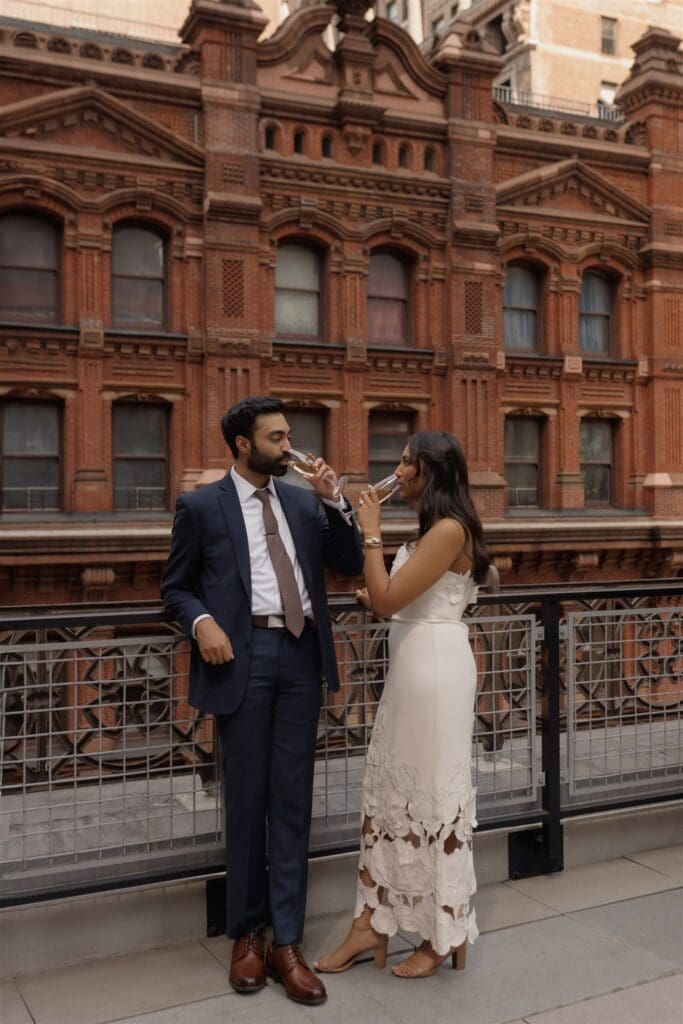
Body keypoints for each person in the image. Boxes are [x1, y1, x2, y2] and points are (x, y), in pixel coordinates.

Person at [161, 396, 363, 1007]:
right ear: (244, 444)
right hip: (240, 660)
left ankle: (288, 944)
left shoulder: (303, 502)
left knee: (293, 801)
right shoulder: (201, 506)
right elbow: (174, 588)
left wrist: (334, 500)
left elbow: (349, 562)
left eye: (289, 436)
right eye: (277, 438)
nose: (291, 447)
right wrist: (201, 624)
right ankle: (247, 937)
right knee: (247, 801)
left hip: (301, 658)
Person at [314, 431, 490, 979]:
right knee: (388, 794)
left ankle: (442, 932)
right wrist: (379, 595)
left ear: (429, 473)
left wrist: (370, 534)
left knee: (433, 800)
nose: (397, 472)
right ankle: (369, 922)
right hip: (413, 667)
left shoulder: (450, 528)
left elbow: (391, 599)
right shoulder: (433, 530)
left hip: (436, 673)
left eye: (406, 464)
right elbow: (394, 602)